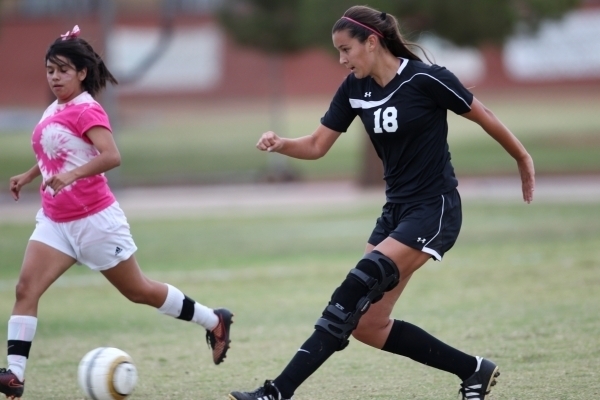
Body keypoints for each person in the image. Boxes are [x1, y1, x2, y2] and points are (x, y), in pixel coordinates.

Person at [229, 5, 535, 400]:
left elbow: (484, 115)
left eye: (345, 49)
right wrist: (281, 143)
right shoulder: (355, 88)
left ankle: (276, 392)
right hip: (396, 212)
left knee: (353, 290)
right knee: (367, 326)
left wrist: (522, 158)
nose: (341, 60)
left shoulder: (426, 79)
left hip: (434, 208)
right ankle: (473, 370)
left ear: (372, 42)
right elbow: (318, 145)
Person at [0, 25, 233, 399]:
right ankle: (14, 377)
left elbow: (111, 156)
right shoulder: (56, 107)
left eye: (62, 70)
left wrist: (72, 175)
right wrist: (30, 174)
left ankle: (213, 319)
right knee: (25, 288)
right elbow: (55, 150)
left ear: (81, 72)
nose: (55, 77)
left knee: (139, 291)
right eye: (50, 70)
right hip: (55, 222)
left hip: (95, 221)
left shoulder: (87, 109)